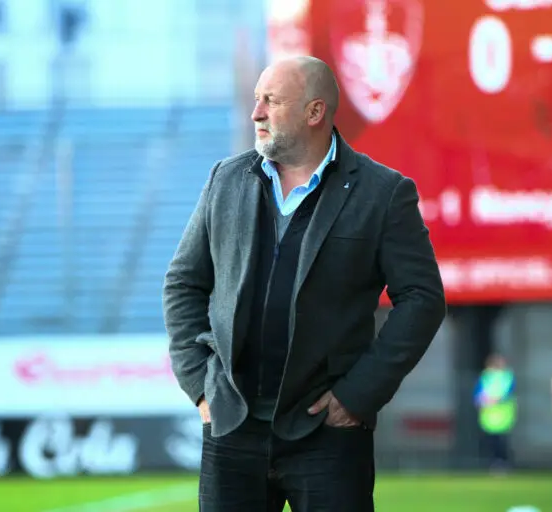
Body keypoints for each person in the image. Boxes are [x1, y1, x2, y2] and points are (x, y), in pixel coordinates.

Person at [163, 56, 446, 511]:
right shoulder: (226, 179)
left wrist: (357, 395)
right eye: (257, 99)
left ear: (315, 112)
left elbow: (423, 299)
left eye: (271, 101)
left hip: (328, 434)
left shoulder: (382, 192)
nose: (256, 113)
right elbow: (183, 283)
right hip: (232, 428)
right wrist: (200, 384)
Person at [474, 354, 516, 471]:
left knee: (501, 441)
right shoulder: (485, 377)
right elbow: (478, 394)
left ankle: (503, 462)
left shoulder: (507, 377)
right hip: (489, 416)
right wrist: (482, 401)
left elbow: (508, 392)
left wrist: (495, 400)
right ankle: (494, 462)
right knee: (491, 442)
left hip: (503, 415)